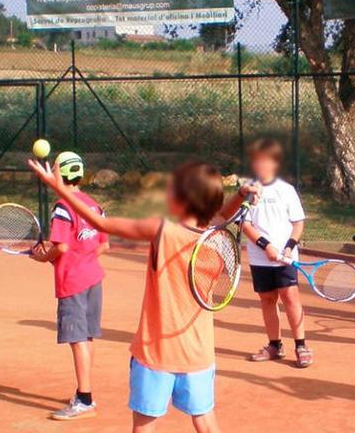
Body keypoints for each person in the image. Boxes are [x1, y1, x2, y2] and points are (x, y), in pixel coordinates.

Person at [28, 157, 258, 433]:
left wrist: (61, 190)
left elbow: (102, 224)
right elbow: (222, 215)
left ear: (182, 200)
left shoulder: (162, 230)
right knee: (206, 422)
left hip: (155, 353)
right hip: (198, 353)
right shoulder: (216, 238)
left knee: (144, 426)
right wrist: (241, 194)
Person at [29, 152, 110, 421]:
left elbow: (61, 247)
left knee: (77, 340)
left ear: (60, 174)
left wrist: (42, 257)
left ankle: (85, 399)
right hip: (94, 279)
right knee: (86, 338)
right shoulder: (94, 206)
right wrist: (82, 259)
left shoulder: (63, 207)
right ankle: (84, 392)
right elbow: (104, 245)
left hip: (73, 282)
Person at [241, 139, 311, 367]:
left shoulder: (286, 191)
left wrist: (288, 247)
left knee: (290, 297)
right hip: (260, 258)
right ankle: (274, 345)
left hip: (286, 258)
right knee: (267, 299)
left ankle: (301, 345)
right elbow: (245, 225)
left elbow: (298, 224)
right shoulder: (250, 190)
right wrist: (266, 246)